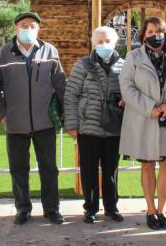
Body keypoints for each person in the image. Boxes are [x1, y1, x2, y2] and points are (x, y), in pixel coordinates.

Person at [0, 12, 66, 225]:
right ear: (15, 28)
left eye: (33, 26)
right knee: (18, 169)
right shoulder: (3, 53)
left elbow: (61, 84)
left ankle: (52, 209)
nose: (28, 29)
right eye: (24, 25)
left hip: (45, 122)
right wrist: (1, 112)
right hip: (16, 123)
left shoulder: (50, 51)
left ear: (38, 29)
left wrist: (65, 112)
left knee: (49, 169)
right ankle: (22, 208)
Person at [119, 16, 166, 230]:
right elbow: (127, 88)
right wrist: (150, 107)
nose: (155, 35)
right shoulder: (133, 57)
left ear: (165, 33)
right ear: (143, 35)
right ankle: (150, 210)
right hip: (144, 118)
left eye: (159, 31)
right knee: (148, 164)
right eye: (150, 31)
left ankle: (162, 210)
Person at [64, 26, 125, 224]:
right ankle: (90, 208)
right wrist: (72, 125)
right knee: (88, 170)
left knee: (111, 171)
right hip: (88, 127)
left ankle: (111, 207)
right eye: (99, 41)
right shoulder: (83, 65)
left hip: (114, 127)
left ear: (115, 43)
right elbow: (71, 95)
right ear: (93, 43)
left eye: (107, 41)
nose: (103, 45)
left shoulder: (124, 66)